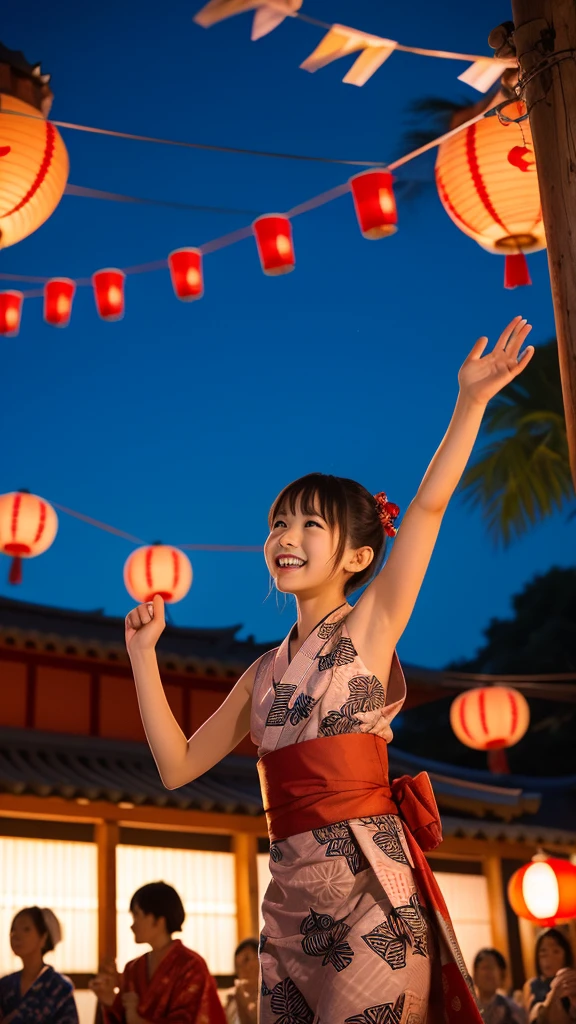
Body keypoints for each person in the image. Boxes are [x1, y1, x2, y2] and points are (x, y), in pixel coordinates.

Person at [125, 316, 534, 1022]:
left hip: (369, 891)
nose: (285, 537)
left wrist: (470, 402)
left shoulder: (370, 628)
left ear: (358, 557)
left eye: (310, 525)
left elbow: (430, 509)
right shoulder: (260, 673)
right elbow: (175, 766)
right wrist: (141, 657)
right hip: (290, 903)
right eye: (279, 523)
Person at [89, 881, 226, 1023]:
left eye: (137, 915)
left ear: (159, 920)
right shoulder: (133, 969)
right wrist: (109, 1000)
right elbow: (122, 1018)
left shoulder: (191, 966)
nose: (132, 925)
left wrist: (138, 1020)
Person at [0, 906, 78, 1023]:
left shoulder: (59, 987)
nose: (16, 935)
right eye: (13, 930)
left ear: (43, 937)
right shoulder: (5, 985)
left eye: (26, 929)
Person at [523, 928, 576, 1023]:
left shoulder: (571, 981)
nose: (549, 958)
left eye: (555, 951)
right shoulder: (531, 985)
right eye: (543, 952)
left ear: (566, 954)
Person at [473, 947, 527, 1024]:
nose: (488, 973)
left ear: (501, 976)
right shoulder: (467, 1008)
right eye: (485, 967)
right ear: (475, 975)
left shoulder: (512, 1010)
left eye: (492, 967)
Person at [225, 939, 259, 1024]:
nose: (243, 969)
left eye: (246, 959)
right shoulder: (233, 1000)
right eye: (238, 966)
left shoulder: (274, 997)